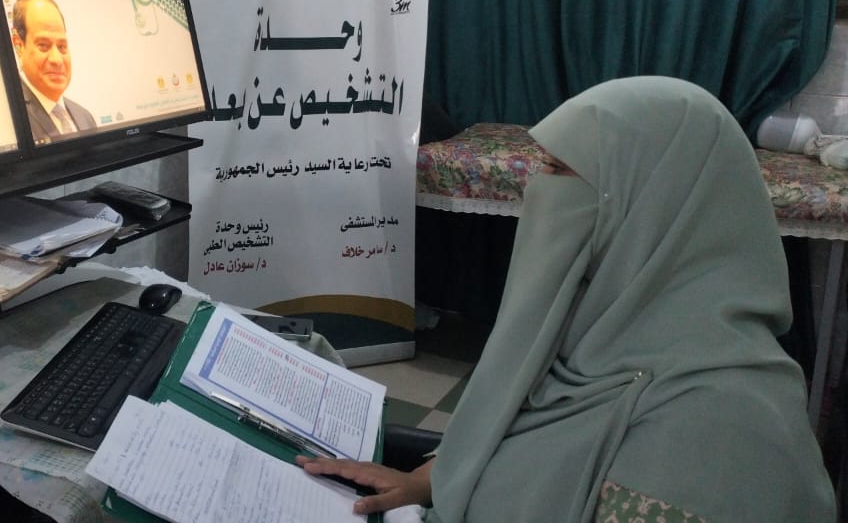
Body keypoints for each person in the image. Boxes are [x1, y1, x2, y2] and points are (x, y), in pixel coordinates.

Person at [300, 77, 836, 521]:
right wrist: (429, 481)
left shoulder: (724, 437)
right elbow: (515, 430)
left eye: (558, 173)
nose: (538, 193)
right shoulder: (593, 333)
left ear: (647, 211)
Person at [10, 0, 96, 141]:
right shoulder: (10, 120)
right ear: (19, 45)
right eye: (43, 45)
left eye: (62, 46)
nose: (57, 59)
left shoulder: (85, 118)